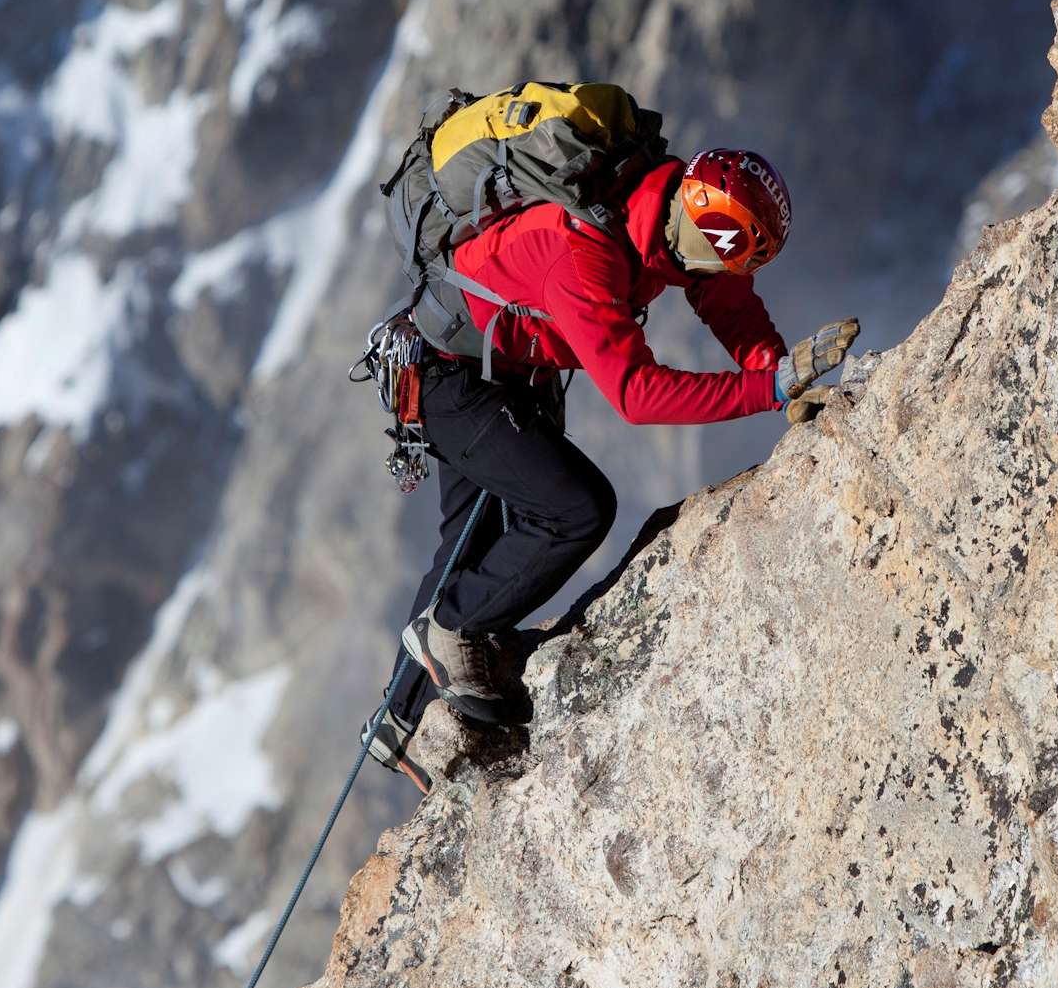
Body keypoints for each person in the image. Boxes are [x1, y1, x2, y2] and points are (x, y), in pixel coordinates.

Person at [365, 146, 858, 791]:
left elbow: (724, 297)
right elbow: (638, 395)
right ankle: (452, 631)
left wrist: (777, 374)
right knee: (575, 509)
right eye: (730, 251)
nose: (730, 269)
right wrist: (765, 391)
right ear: (701, 224)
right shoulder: (585, 250)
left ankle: (398, 722)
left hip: (481, 361)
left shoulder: (665, 210)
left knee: (474, 542)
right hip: (452, 378)